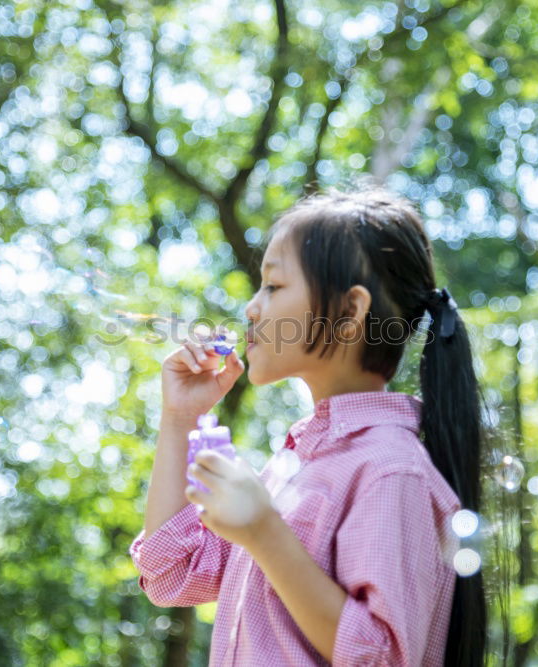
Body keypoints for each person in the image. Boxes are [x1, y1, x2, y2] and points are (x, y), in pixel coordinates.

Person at [129, 185, 486, 666]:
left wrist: (264, 533)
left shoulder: (389, 470)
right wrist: (179, 418)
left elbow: (381, 657)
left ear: (349, 312)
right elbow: (173, 571)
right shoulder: (297, 466)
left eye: (273, 286)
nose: (252, 307)